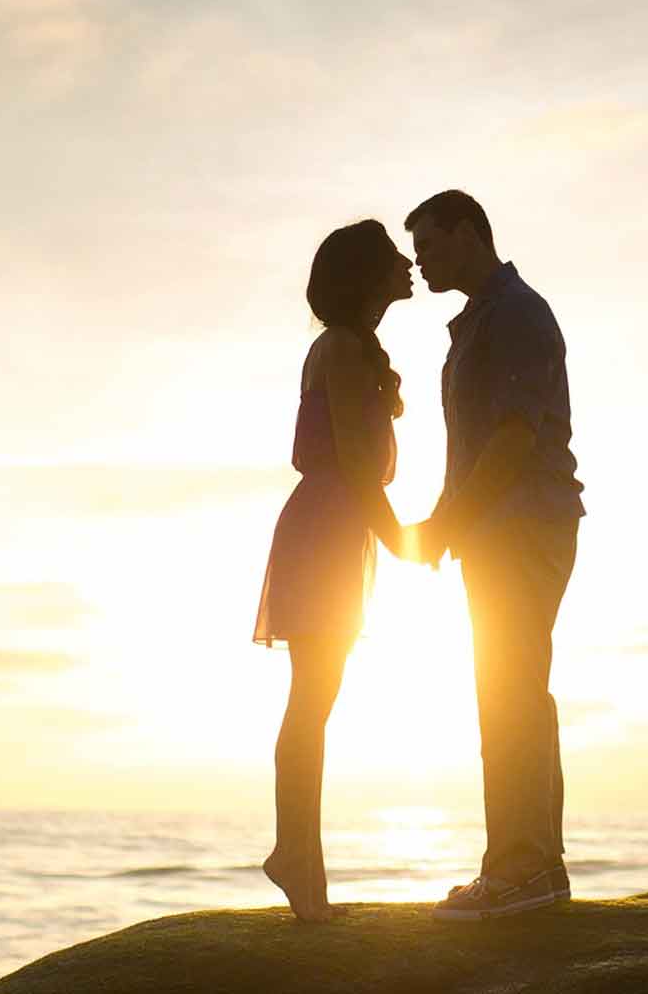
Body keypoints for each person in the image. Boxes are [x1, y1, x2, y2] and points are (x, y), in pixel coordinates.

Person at [403, 190, 585, 922]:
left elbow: (511, 440)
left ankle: (518, 870)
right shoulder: (483, 318)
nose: (422, 263)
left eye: (432, 247)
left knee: (510, 691)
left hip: (521, 524)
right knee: (516, 690)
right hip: (503, 526)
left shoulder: (513, 313)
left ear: (469, 231)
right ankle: (537, 867)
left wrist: (447, 523)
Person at [253, 219, 414, 923]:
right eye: (392, 260)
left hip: (334, 526)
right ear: (367, 277)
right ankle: (297, 861)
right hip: (327, 527)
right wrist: (407, 542)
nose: (408, 266)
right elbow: (354, 461)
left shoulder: (348, 347)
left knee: (315, 698)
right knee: (313, 700)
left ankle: (303, 864)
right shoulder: (342, 349)